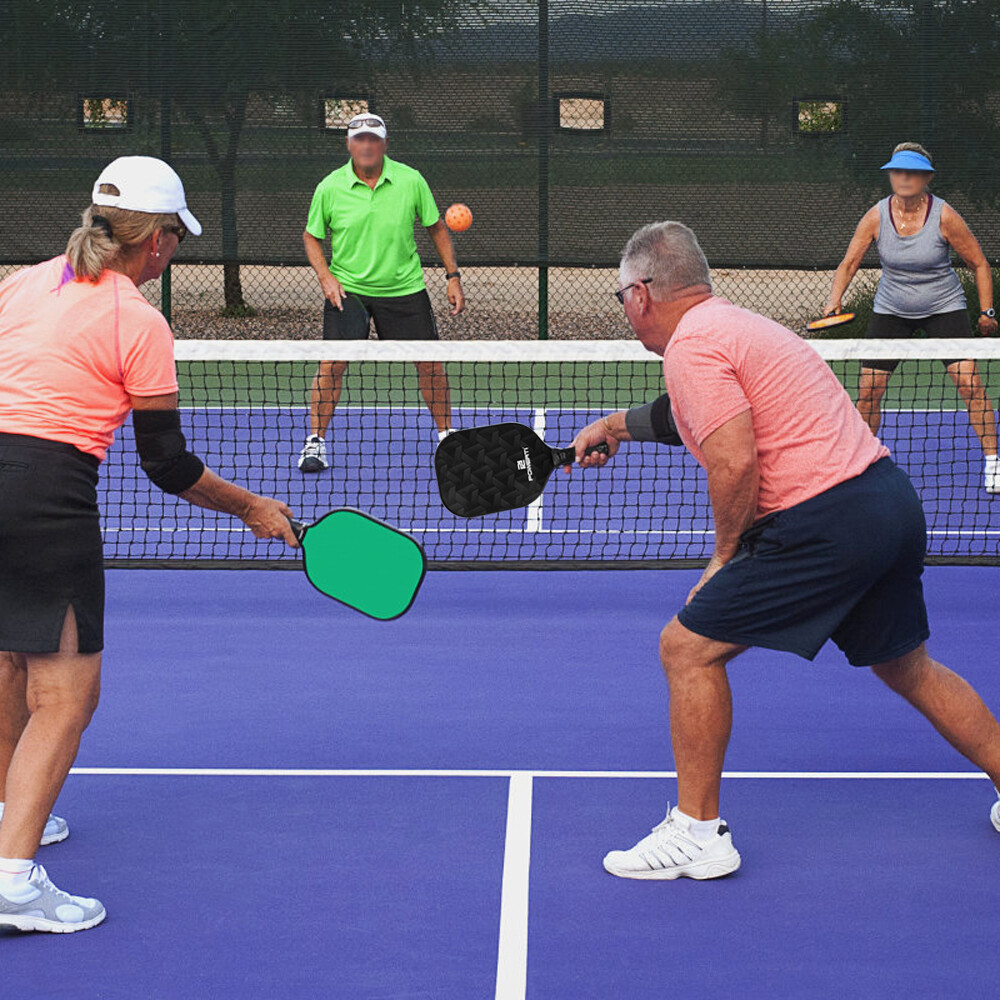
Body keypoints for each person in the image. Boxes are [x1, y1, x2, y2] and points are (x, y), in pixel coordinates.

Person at [571, 221, 1000, 881]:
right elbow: (689, 413)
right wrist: (614, 426)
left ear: (642, 294)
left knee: (687, 649)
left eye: (622, 296)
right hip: (887, 501)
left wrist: (725, 557)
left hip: (825, 521)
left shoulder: (691, 347)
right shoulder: (739, 326)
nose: (625, 309)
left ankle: (697, 833)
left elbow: (734, 460)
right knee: (908, 668)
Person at [0, 156, 297, 932]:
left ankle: (7, 815)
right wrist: (251, 507)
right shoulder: (139, 322)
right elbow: (166, 464)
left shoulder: (20, 284)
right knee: (65, 695)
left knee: (7, 660)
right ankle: (11, 883)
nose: (175, 250)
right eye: (176, 238)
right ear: (157, 240)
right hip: (44, 499)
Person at [823, 142, 1000, 493]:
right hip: (891, 310)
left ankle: (994, 462)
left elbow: (979, 263)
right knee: (869, 391)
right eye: (898, 172)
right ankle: (863, 464)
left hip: (944, 307)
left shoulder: (944, 216)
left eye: (912, 173)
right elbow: (849, 262)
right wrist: (834, 300)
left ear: (926, 178)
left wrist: (986, 312)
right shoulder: (876, 216)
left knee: (970, 385)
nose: (904, 178)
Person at [298, 113, 466, 472]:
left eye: (373, 139)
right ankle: (315, 442)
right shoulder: (330, 187)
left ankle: (447, 437)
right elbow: (311, 237)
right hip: (348, 292)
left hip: (404, 289)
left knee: (430, 363)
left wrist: (452, 276)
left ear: (385, 144)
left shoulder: (411, 180)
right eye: (359, 139)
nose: (367, 146)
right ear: (348, 144)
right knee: (331, 365)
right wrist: (326, 277)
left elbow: (436, 227)